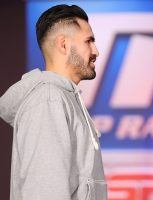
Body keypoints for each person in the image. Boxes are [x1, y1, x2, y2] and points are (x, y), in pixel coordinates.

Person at [0, 4, 107, 200]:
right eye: (89, 41)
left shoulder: (62, 98)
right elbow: (44, 192)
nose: (96, 51)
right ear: (64, 45)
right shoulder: (48, 101)